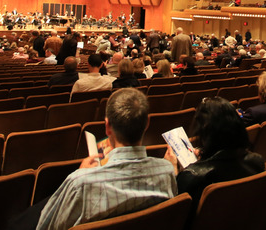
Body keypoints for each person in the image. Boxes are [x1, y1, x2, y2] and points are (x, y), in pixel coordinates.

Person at [21, 88, 176, 230]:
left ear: (107, 126)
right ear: (147, 123)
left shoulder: (79, 183)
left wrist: (82, 174)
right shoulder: (167, 171)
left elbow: (47, 227)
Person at [164, 97, 264, 205]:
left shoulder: (190, 177)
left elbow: (175, 214)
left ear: (204, 132)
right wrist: (205, 156)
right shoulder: (257, 161)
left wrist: (173, 173)